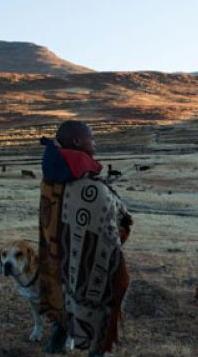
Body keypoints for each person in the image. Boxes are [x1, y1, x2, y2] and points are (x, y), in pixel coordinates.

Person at [38, 120, 132, 356]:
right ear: (78, 141)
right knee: (109, 290)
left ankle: (57, 338)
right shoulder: (85, 182)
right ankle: (97, 349)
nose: (95, 142)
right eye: (91, 137)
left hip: (60, 252)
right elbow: (111, 225)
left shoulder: (53, 176)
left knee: (65, 289)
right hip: (90, 261)